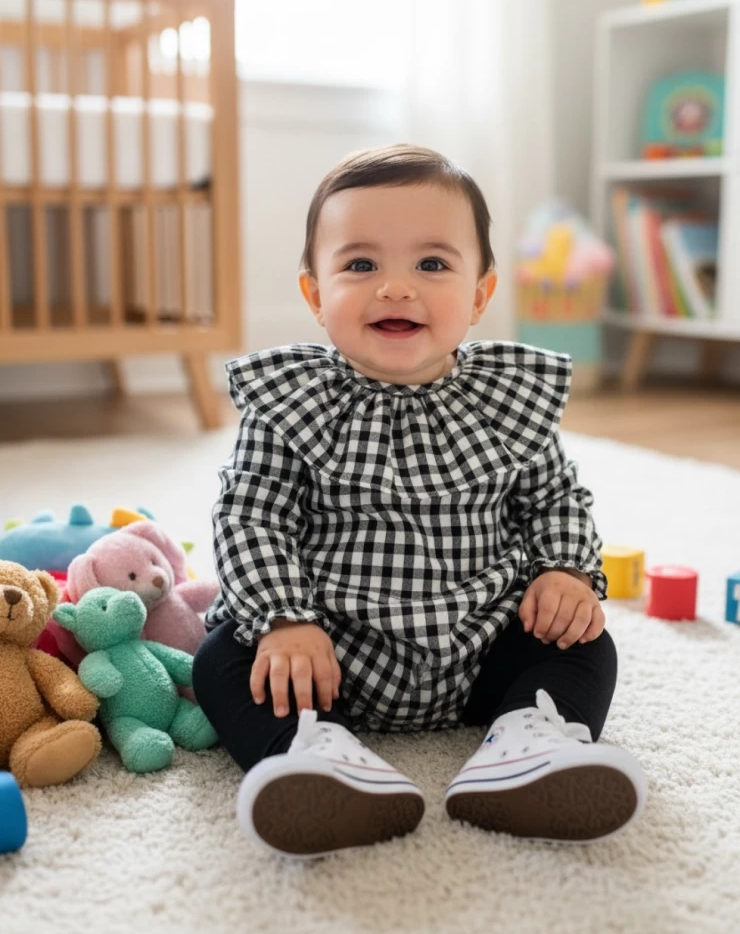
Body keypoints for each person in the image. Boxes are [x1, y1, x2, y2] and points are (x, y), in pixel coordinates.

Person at [193, 143, 647, 860]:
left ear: (480, 295)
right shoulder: (291, 405)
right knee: (222, 661)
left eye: (432, 264)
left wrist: (565, 572)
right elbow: (251, 516)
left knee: (584, 643)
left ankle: (530, 741)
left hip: (483, 639)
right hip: (327, 649)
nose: (396, 288)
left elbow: (556, 497)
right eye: (360, 265)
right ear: (315, 295)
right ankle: (313, 754)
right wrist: (284, 620)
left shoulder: (508, 401)